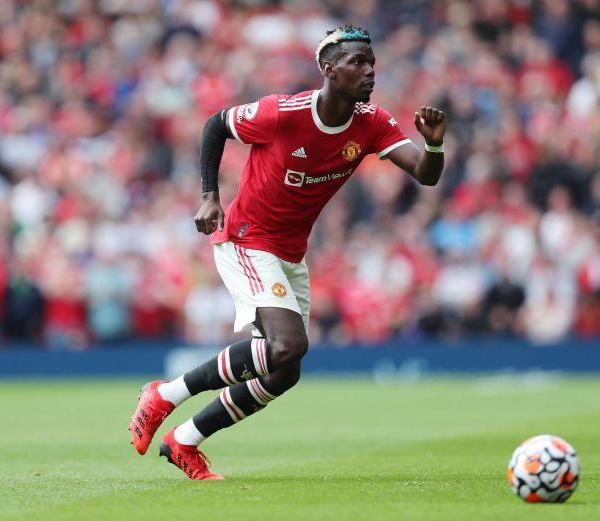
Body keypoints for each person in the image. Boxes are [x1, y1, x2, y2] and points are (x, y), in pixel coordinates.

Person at [128, 25, 446, 480]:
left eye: (372, 62)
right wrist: (209, 196)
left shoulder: (372, 122)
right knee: (287, 345)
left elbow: (426, 174)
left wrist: (433, 142)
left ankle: (184, 441)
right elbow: (215, 125)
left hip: (289, 252)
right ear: (328, 69)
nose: (369, 70)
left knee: (284, 370)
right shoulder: (284, 112)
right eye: (357, 62)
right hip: (246, 237)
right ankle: (165, 395)